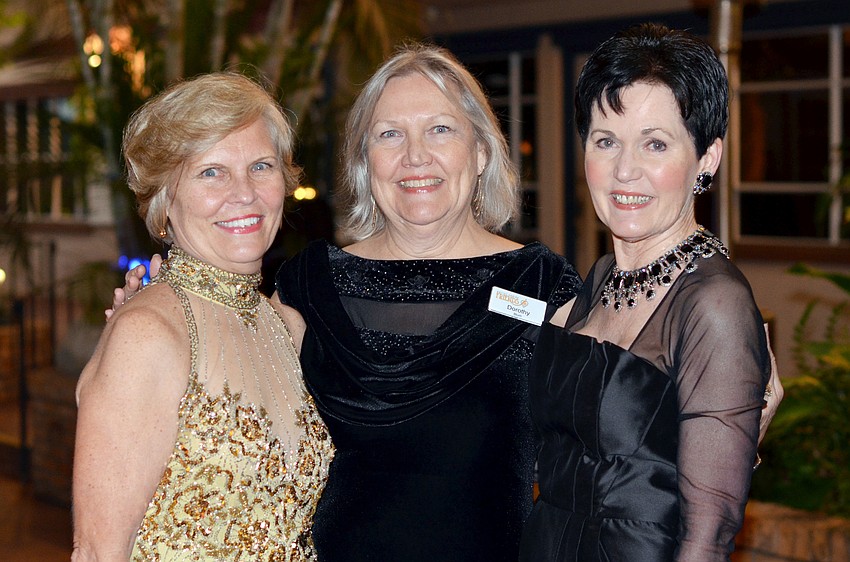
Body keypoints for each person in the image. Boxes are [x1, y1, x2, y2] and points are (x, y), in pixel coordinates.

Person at [111, 43, 783, 561]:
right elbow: (209, 375)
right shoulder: (306, 285)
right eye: (389, 134)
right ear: (364, 162)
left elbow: (616, 433)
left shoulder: (541, 288)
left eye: (439, 130)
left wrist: (733, 408)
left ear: (481, 151)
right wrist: (136, 326)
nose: (415, 157)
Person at [519, 23, 771, 561]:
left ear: (707, 159)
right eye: (605, 141)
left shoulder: (714, 305)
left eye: (655, 144)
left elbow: (708, 539)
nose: (624, 170)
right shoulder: (599, 280)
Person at [72, 72, 334, 561]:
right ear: (165, 199)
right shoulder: (147, 333)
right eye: (211, 171)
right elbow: (97, 550)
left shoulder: (287, 327)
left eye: (261, 165)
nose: (245, 193)